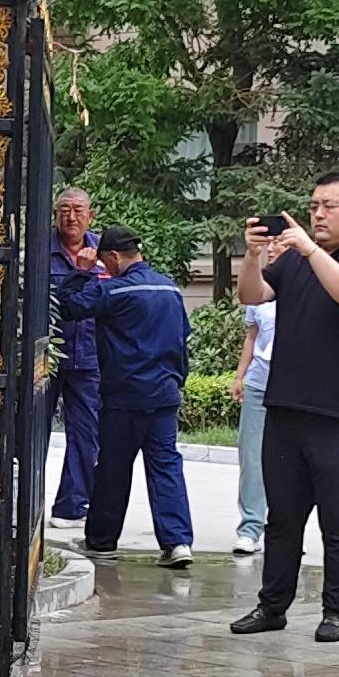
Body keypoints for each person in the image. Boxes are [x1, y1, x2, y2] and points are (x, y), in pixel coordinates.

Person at [231, 173, 339, 641]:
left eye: (330, 205)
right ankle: (272, 606)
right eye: (314, 205)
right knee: (282, 517)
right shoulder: (297, 262)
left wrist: (310, 251)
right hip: (285, 406)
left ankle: (337, 611)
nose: (318, 213)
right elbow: (252, 295)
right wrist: (253, 255)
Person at [79, 225, 195, 567]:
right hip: (165, 394)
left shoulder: (115, 291)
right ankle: (178, 543)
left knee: (114, 468)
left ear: (114, 256)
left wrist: (83, 274)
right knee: (166, 467)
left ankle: (102, 541)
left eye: (104, 262)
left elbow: (72, 306)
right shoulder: (169, 288)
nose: (105, 269)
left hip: (125, 396)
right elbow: (182, 339)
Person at [46, 186, 103, 525]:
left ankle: (71, 506)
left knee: (85, 435)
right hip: (49, 357)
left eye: (79, 210)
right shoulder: (42, 250)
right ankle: (27, 501)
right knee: (34, 432)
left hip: (90, 357)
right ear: (55, 214)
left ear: (90, 215)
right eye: (65, 209)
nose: (71, 216)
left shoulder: (103, 252)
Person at [230, 291, 277, 558]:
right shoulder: (259, 291)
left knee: (290, 462)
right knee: (252, 458)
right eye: (269, 245)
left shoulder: (307, 283)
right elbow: (252, 337)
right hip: (259, 384)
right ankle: (250, 529)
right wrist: (240, 376)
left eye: (279, 245)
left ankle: (286, 529)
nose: (272, 249)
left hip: (295, 386)